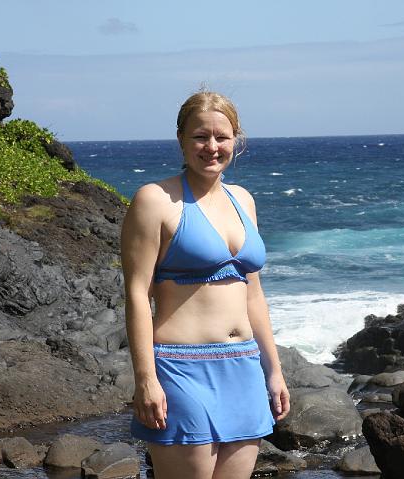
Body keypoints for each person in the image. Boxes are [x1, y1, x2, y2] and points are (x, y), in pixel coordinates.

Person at [120, 90, 290, 479]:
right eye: (200, 137)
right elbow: (135, 294)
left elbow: (254, 294)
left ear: (236, 140)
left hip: (244, 369)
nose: (211, 147)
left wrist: (274, 370)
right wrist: (146, 380)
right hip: (182, 371)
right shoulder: (155, 200)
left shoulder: (243, 200)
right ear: (181, 139)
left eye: (221, 137)